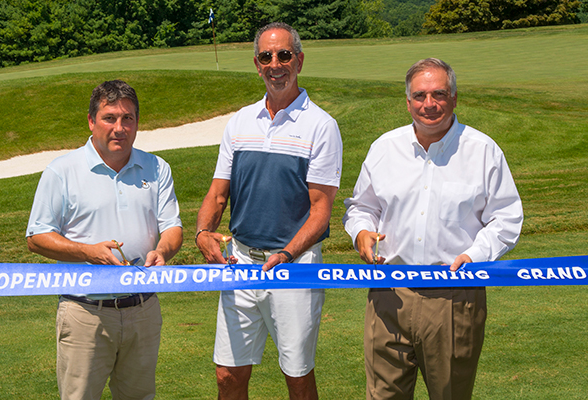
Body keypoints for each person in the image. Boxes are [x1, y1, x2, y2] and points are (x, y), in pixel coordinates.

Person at [343, 58, 523, 400]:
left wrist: (475, 254)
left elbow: (507, 218)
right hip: (388, 294)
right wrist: (361, 232)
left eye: (439, 94)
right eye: (420, 95)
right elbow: (361, 207)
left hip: (454, 297)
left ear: (454, 97)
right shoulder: (385, 148)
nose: (429, 104)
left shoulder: (482, 150)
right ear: (408, 101)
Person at [195, 22, 342, 400]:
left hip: (294, 268)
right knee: (227, 375)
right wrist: (202, 232)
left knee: (297, 376)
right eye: (266, 56)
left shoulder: (321, 126)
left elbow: (321, 211)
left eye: (284, 55)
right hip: (240, 263)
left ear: (299, 60)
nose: (275, 64)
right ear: (257, 64)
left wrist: (287, 254)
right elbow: (217, 192)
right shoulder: (241, 121)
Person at [26, 80, 183, 400]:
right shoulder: (62, 171)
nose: (119, 127)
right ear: (91, 121)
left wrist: (162, 250)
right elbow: (37, 236)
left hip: (143, 309)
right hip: (85, 312)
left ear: (138, 123)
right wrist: (88, 252)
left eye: (128, 118)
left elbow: (172, 227)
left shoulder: (157, 168)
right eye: (109, 117)